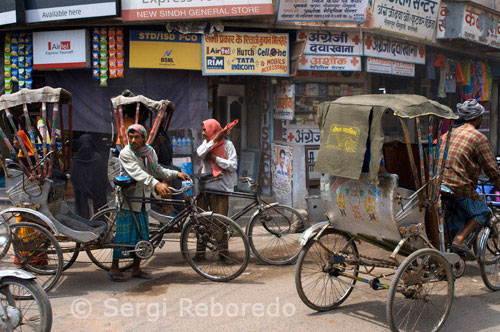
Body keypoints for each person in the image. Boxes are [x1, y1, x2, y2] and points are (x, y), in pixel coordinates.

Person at [110, 124, 189, 281]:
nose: (133, 140)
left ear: (143, 138)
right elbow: (137, 173)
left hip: (143, 198)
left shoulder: (149, 151)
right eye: (130, 137)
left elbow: (157, 169)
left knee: (143, 235)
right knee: (123, 235)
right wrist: (156, 184)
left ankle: (136, 269)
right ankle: (114, 267)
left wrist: (176, 173)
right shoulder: (126, 153)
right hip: (128, 199)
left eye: (136, 137)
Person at [441, 99, 500, 260]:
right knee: (482, 211)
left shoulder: (448, 134)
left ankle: (447, 257)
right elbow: (492, 170)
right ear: (479, 117)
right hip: (459, 186)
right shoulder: (478, 137)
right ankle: (460, 240)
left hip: (440, 184)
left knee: (452, 219)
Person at [195, 119, 238, 260]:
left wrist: (215, 158)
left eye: (204, 130)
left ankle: (223, 254)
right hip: (205, 189)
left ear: (213, 129)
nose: (202, 133)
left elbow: (232, 165)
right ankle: (200, 254)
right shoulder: (206, 144)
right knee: (201, 222)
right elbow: (201, 153)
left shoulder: (228, 145)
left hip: (221, 189)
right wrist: (214, 141)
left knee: (221, 223)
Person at [70, 134, 108, 219]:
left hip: (81, 190)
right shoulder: (98, 157)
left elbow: (74, 178)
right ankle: (101, 225)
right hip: (97, 189)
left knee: (82, 207)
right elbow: (103, 176)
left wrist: (83, 186)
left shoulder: (76, 159)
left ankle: (84, 225)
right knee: (100, 208)